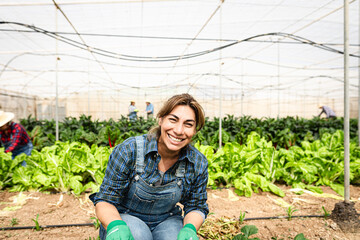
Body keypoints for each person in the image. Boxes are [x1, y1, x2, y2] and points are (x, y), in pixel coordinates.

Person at [90, 93, 209, 240]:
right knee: (138, 235)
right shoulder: (130, 150)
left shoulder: (197, 162)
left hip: (167, 220)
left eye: (188, 124)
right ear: (160, 119)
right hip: (126, 217)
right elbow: (105, 200)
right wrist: (115, 225)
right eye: (173, 120)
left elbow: (196, 206)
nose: (179, 130)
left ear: (195, 130)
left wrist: (190, 228)